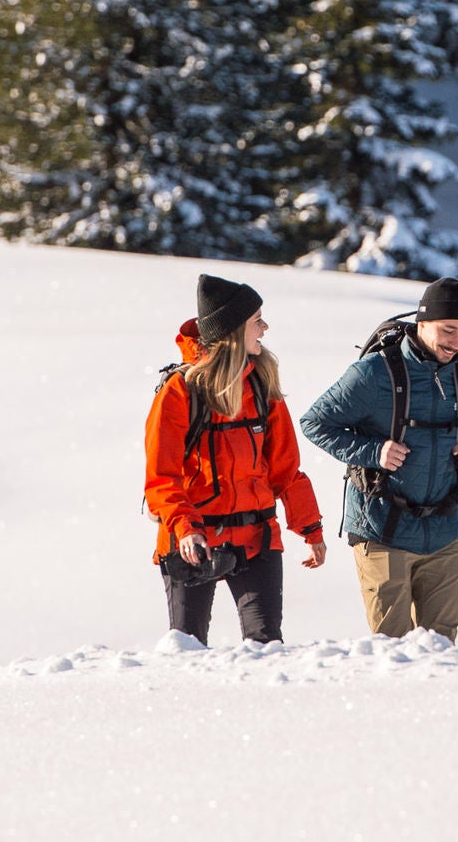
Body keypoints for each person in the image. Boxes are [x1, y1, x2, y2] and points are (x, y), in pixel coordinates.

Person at [299, 277, 458, 641]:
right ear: (422, 323)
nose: (457, 342)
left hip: (444, 530)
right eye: (448, 330)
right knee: (392, 649)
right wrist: (374, 452)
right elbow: (315, 423)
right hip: (382, 529)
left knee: (443, 649)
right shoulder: (374, 372)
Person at [143, 274, 326, 645]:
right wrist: (186, 529)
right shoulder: (179, 392)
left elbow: (285, 469)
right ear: (231, 330)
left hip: (256, 539)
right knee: (187, 646)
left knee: (266, 646)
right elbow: (162, 478)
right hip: (192, 542)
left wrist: (311, 529)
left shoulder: (261, 384)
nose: (265, 327)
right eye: (257, 319)